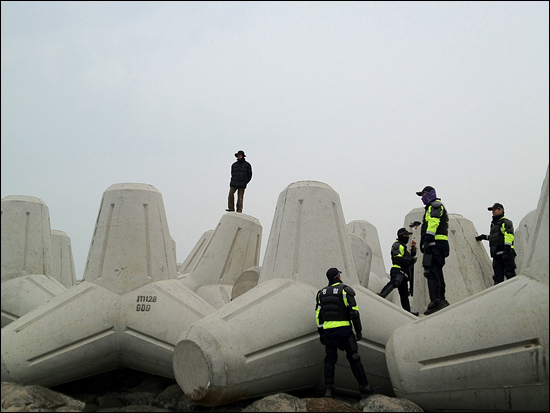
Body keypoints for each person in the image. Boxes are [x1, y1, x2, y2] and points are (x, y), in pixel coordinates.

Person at [315, 268, 380, 399]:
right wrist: (359, 330)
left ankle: (329, 390)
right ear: (338, 277)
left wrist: (321, 333)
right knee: (354, 358)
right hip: (344, 331)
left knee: (330, 360)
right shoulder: (345, 290)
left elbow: (318, 316)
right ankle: (364, 388)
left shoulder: (320, 293)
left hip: (328, 332)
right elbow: (354, 312)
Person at [416, 186, 450, 315]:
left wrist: (428, 239)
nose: (422, 198)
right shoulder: (433, 206)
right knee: (436, 271)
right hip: (437, 243)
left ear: (430, 194)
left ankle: (436, 300)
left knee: (430, 270)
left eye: (423, 194)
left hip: (435, 243)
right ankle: (440, 299)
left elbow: (433, 222)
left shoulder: (435, 205)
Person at [378, 228, 419, 316]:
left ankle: (408, 313)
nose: (407, 237)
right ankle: (381, 296)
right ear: (400, 236)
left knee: (404, 294)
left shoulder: (404, 247)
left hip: (404, 272)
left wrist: (413, 249)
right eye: (405, 235)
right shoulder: (397, 245)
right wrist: (410, 260)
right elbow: (397, 258)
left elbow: (409, 256)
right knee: (395, 282)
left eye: (408, 235)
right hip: (397, 270)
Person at [475, 202, 516, 285]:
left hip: (506, 253)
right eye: (492, 210)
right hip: (497, 254)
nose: (493, 212)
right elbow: (496, 238)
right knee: (497, 278)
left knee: (510, 275)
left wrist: (507, 249)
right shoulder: (494, 224)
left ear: (501, 210)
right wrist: (484, 237)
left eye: (495, 210)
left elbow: (509, 235)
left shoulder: (505, 222)